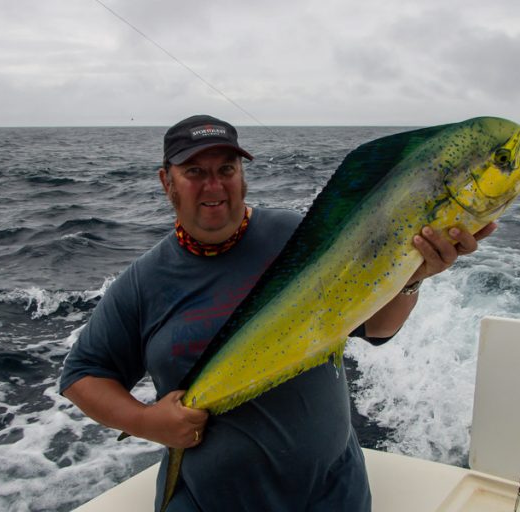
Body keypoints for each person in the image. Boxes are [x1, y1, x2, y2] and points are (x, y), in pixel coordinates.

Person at [60, 114, 496, 511]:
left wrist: (412, 277)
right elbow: (82, 374)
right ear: (166, 181)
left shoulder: (302, 239)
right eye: (195, 171)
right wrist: (146, 422)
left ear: (242, 175)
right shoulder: (144, 281)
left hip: (334, 495)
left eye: (226, 169)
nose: (214, 185)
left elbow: (377, 328)